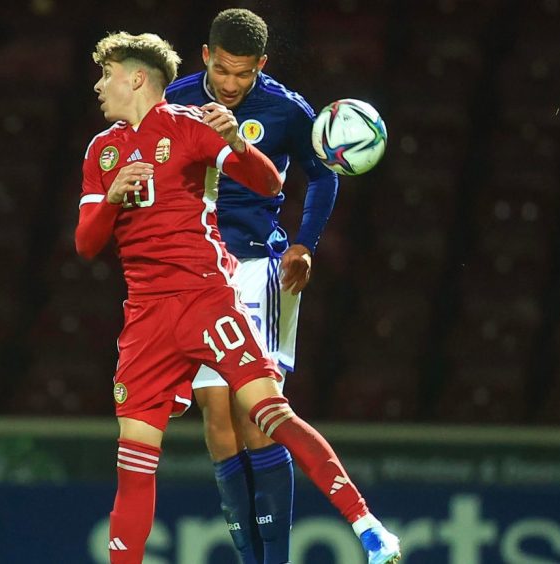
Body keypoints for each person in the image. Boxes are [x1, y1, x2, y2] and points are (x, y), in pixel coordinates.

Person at [75, 31, 401, 564]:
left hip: (211, 293)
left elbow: (272, 183)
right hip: (146, 318)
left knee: (266, 413)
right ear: (204, 60)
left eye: (105, 75)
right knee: (141, 460)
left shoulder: (191, 124)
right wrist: (111, 200)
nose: (98, 85)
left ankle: (368, 529)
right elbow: (87, 242)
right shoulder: (102, 150)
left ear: (135, 78)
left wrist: (239, 144)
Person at [165, 8, 339, 563]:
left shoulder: (287, 110)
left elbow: (324, 174)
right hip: (195, 275)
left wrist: (305, 243)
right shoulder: (175, 97)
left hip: (257, 270)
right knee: (217, 420)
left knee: (256, 415)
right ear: (205, 57)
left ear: (261, 65)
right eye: (223, 72)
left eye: (243, 74)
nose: (231, 85)